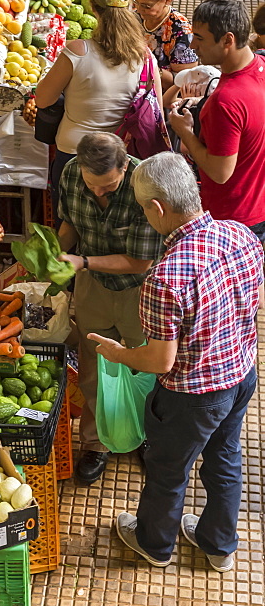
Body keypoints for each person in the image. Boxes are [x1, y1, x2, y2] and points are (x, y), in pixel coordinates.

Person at [89, 152, 263, 570]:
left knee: (168, 469)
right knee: (225, 457)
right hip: (241, 374)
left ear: (157, 208)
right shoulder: (242, 235)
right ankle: (219, 545)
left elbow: (160, 360)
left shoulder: (165, 278)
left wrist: (117, 353)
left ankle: (154, 543)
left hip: (193, 396)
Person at [56, 132, 163, 484]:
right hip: (93, 288)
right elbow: (70, 225)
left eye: (109, 186)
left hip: (139, 291)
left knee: (144, 366)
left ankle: (146, 436)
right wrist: (54, 255)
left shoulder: (143, 187)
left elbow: (139, 262)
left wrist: (83, 261)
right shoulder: (72, 173)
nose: (99, 192)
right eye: (93, 185)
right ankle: (96, 442)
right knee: (93, 365)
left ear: (124, 164)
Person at [36, 0, 163, 214]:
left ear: (92, 6)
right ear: (129, 6)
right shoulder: (145, 57)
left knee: (69, 228)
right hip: (119, 162)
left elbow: (42, 99)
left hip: (73, 156)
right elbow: (155, 106)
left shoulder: (78, 51)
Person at [168, 0, 265, 243]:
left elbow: (220, 172)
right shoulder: (260, 65)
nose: (193, 45)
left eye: (200, 38)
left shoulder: (227, 100)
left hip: (231, 218)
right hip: (257, 204)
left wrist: (185, 132)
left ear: (227, 40)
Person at [128, 0, 197, 91]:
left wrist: (149, 66)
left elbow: (184, 82)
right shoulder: (134, 15)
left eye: (147, 6)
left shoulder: (180, 31)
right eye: (136, 1)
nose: (139, 9)